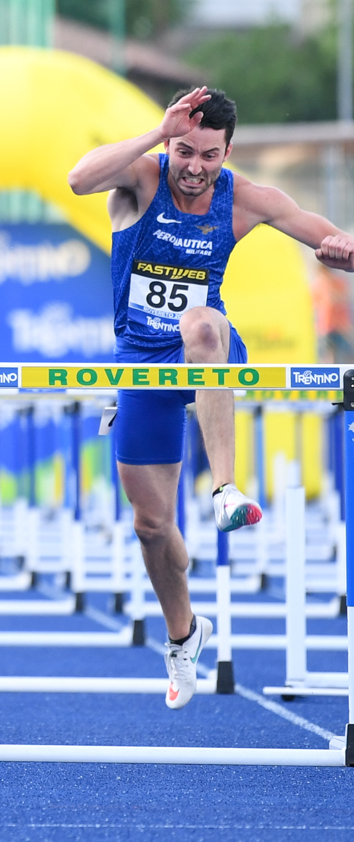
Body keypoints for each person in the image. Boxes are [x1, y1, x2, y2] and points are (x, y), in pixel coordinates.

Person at [68, 87, 354, 710]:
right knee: (152, 527)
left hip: (209, 351)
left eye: (209, 155)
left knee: (201, 324)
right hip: (140, 364)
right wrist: (155, 133)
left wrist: (343, 251)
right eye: (184, 152)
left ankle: (224, 487)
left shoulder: (245, 199)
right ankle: (184, 634)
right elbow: (77, 180)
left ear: (227, 152)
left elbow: (330, 238)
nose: (195, 167)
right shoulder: (141, 178)